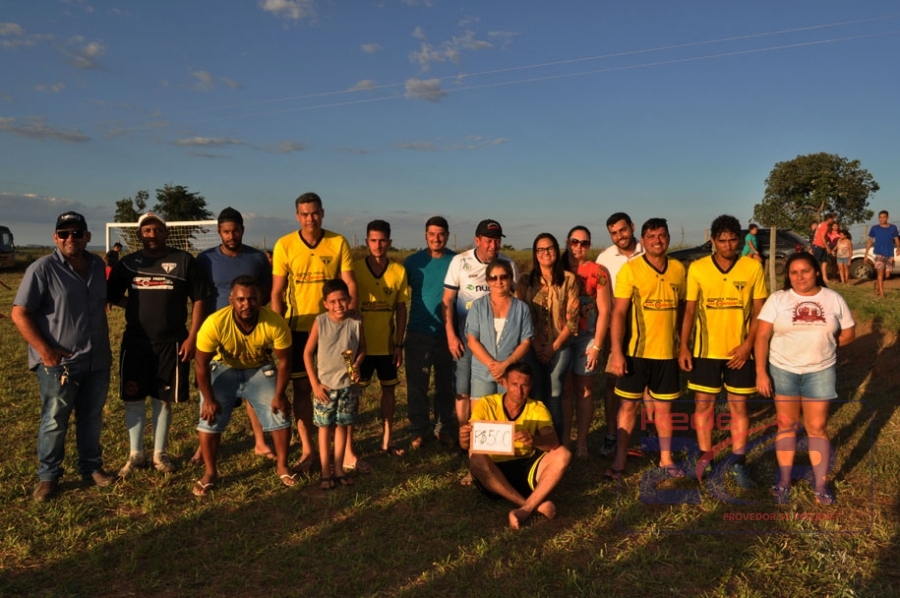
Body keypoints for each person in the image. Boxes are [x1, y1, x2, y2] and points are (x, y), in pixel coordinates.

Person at [12, 211, 116, 502]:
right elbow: (19, 313)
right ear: (55, 237)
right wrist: (45, 352)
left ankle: (92, 468)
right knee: (55, 419)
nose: (71, 238)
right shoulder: (42, 269)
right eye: (64, 233)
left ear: (87, 236)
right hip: (59, 365)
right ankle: (48, 477)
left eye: (77, 233)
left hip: (97, 361)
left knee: (91, 417)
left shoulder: (97, 265)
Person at [108, 212, 210, 477]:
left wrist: (193, 337)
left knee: (163, 400)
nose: (151, 234)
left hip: (172, 343)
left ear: (166, 232)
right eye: (146, 230)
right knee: (133, 399)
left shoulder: (183, 260)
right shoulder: (129, 263)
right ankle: (135, 455)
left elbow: (199, 299)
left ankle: (159, 454)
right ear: (139, 234)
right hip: (136, 343)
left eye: (156, 230)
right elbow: (110, 296)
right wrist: (133, 305)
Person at [755, 252, 855, 505]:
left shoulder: (833, 299)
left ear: (817, 272)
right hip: (783, 370)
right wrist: (761, 372)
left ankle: (820, 483)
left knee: (817, 428)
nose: (800, 277)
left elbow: (849, 333)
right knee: (787, 426)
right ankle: (784, 480)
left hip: (820, 372)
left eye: (805, 271)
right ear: (788, 276)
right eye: (794, 272)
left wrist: (825, 345)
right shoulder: (778, 299)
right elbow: (762, 336)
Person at [271, 192, 359, 474]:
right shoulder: (285, 244)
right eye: (305, 214)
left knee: (342, 385)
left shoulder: (338, 241)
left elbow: (350, 284)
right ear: (298, 216)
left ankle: (345, 452)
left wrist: (349, 317)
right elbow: (277, 292)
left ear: (323, 213)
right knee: (302, 388)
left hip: (334, 330)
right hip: (298, 328)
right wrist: (278, 328)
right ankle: (309, 450)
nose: (310, 218)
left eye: (315, 213)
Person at [678, 215, 768, 488]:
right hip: (706, 351)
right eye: (722, 240)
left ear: (739, 241)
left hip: (740, 352)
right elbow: (690, 310)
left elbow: (759, 311)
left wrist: (748, 345)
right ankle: (707, 459)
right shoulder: (698, 268)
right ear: (713, 241)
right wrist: (684, 345)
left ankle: (739, 464)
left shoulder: (751, 268)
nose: (728, 245)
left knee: (739, 408)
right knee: (703, 406)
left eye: (733, 240)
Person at [192, 276, 294, 497]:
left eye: (252, 299)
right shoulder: (215, 322)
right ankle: (210, 472)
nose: (246, 304)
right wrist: (208, 399)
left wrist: (280, 394)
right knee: (209, 417)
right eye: (241, 300)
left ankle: (283, 466)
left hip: (259, 368)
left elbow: (285, 361)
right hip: (223, 368)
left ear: (261, 299)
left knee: (280, 412)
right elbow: (200, 363)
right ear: (231, 300)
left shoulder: (274, 322)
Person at [190, 207, 273, 465]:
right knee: (211, 391)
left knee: (253, 387)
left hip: (250, 334)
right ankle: (202, 448)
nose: (231, 235)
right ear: (219, 232)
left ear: (242, 230)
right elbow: (199, 297)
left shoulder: (257, 258)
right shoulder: (205, 260)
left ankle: (260, 442)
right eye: (226, 231)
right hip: (215, 336)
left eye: (235, 230)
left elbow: (267, 294)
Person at [605, 218, 686, 481]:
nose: (657, 240)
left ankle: (666, 459)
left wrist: (683, 345)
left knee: (664, 410)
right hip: (636, 352)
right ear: (643, 239)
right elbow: (618, 313)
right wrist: (617, 352)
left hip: (667, 354)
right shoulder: (630, 270)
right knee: (628, 407)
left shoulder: (678, 269)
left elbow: (684, 309)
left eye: (662, 235)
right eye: (651, 236)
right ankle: (619, 461)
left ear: (669, 238)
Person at [459, 362, 572, 529]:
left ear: (531, 385)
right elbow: (467, 444)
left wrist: (534, 440)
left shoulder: (537, 408)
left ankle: (525, 509)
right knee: (475, 457)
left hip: (525, 468)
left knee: (563, 454)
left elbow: (553, 441)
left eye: (524, 385)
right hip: (493, 470)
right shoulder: (486, 404)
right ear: (504, 382)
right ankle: (530, 504)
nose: (519, 391)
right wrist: (463, 438)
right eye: (514, 384)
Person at [442, 220, 519, 445]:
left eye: (497, 240)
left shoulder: (509, 264)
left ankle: (497, 443)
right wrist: (450, 335)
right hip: (465, 341)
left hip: (499, 344)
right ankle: (465, 440)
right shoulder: (460, 261)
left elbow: (518, 300)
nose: (493, 245)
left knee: (496, 392)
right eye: (488, 240)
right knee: (463, 392)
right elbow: (447, 300)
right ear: (477, 240)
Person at [353, 220, 410, 457]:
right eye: (373, 240)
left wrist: (398, 345)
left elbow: (401, 309)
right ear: (367, 242)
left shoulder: (398, 271)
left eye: (382, 240)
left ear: (389, 242)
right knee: (353, 394)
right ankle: (348, 445)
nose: (378, 245)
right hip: (359, 347)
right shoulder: (354, 269)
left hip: (386, 346)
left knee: (389, 392)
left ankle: (387, 441)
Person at [516, 233, 579, 442]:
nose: (546, 253)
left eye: (550, 248)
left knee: (554, 394)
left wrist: (552, 347)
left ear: (557, 249)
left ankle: (557, 445)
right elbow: (521, 316)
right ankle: (535, 445)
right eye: (540, 249)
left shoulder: (568, 280)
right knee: (535, 395)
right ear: (535, 254)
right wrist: (535, 345)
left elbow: (572, 320)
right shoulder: (526, 281)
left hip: (560, 346)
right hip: (532, 346)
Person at [303, 279, 365, 490]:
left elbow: (362, 349)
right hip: (325, 388)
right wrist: (315, 384)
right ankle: (325, 471)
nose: (338, 305)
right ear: (325, 304)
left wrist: (356, 364)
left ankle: (339, 468)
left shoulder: (356, 321)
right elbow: (307, 353)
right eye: (333, 301)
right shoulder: (320, 322)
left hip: (347, 386)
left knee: (342, 426)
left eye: (342, 300)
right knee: (324, 427)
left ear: (349, 300)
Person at [404, 216, 457, 450]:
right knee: (417, 385)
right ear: (425, 235)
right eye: (432, 234)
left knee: (446, 385)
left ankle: (443, 428)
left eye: (441, 234)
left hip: (447, 333)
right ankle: (418, 429)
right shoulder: (412, 262)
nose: (436, 238)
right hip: (418, 333)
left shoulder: (456, 261)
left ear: (447, 235)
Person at [594, 212, 645, 457]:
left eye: (623, 230)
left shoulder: (648, 248)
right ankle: (612, 434)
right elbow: (602, 299)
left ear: (632, 227)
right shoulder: (604, 258)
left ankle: (648, 434)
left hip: (648, 327)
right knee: (613, 381)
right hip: (617, 328)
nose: (619, 237)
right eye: (613, 233)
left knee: (647, 383)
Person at [563, 226, 611, 458]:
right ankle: (563, 440)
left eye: (584, 243)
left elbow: (604, 311)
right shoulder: (557, 268)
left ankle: (581, 442)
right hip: (561, 336)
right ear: (567, 242)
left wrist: (597, 345)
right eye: (575, 241)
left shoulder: (598, 271)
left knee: (585, 390)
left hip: (586, 338)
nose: (579, 247)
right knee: (564, 389)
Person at [466, 259, 533, 398]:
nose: (499, 282)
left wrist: (505, 365)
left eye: (503, 277)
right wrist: (494, 366)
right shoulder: (478, 306)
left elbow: (526, 342)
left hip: (512, 374)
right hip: (482, 372)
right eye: (493, 278)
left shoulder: (522, 308)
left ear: (510, 278)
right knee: (481, 418)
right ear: (487, 281)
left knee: (507, 418)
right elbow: (472, 340)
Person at [864, 210, 900, 298]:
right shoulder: (875, 228)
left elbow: (896, 239)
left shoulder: (893, 228)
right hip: (879, 253)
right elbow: (870, 241)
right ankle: (882, 293)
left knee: (887, 274)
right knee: (880, 273)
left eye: (884, 217)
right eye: (880, 217)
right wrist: (866, 254)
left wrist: (899, 248)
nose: (882, 219)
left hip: (889, 253)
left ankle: (877, 284)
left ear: (887, 218)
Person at [811, 214, 835, 283]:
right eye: (832, 219)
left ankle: (825, 278)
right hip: (819, 246)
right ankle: (814, 278)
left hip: (820, 245)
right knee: (815, 262)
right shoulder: (824, 226)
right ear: (829, 219)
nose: (833, 221)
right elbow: (822, 238)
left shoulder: (821, 224)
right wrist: (827, 248)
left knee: (825, 262)